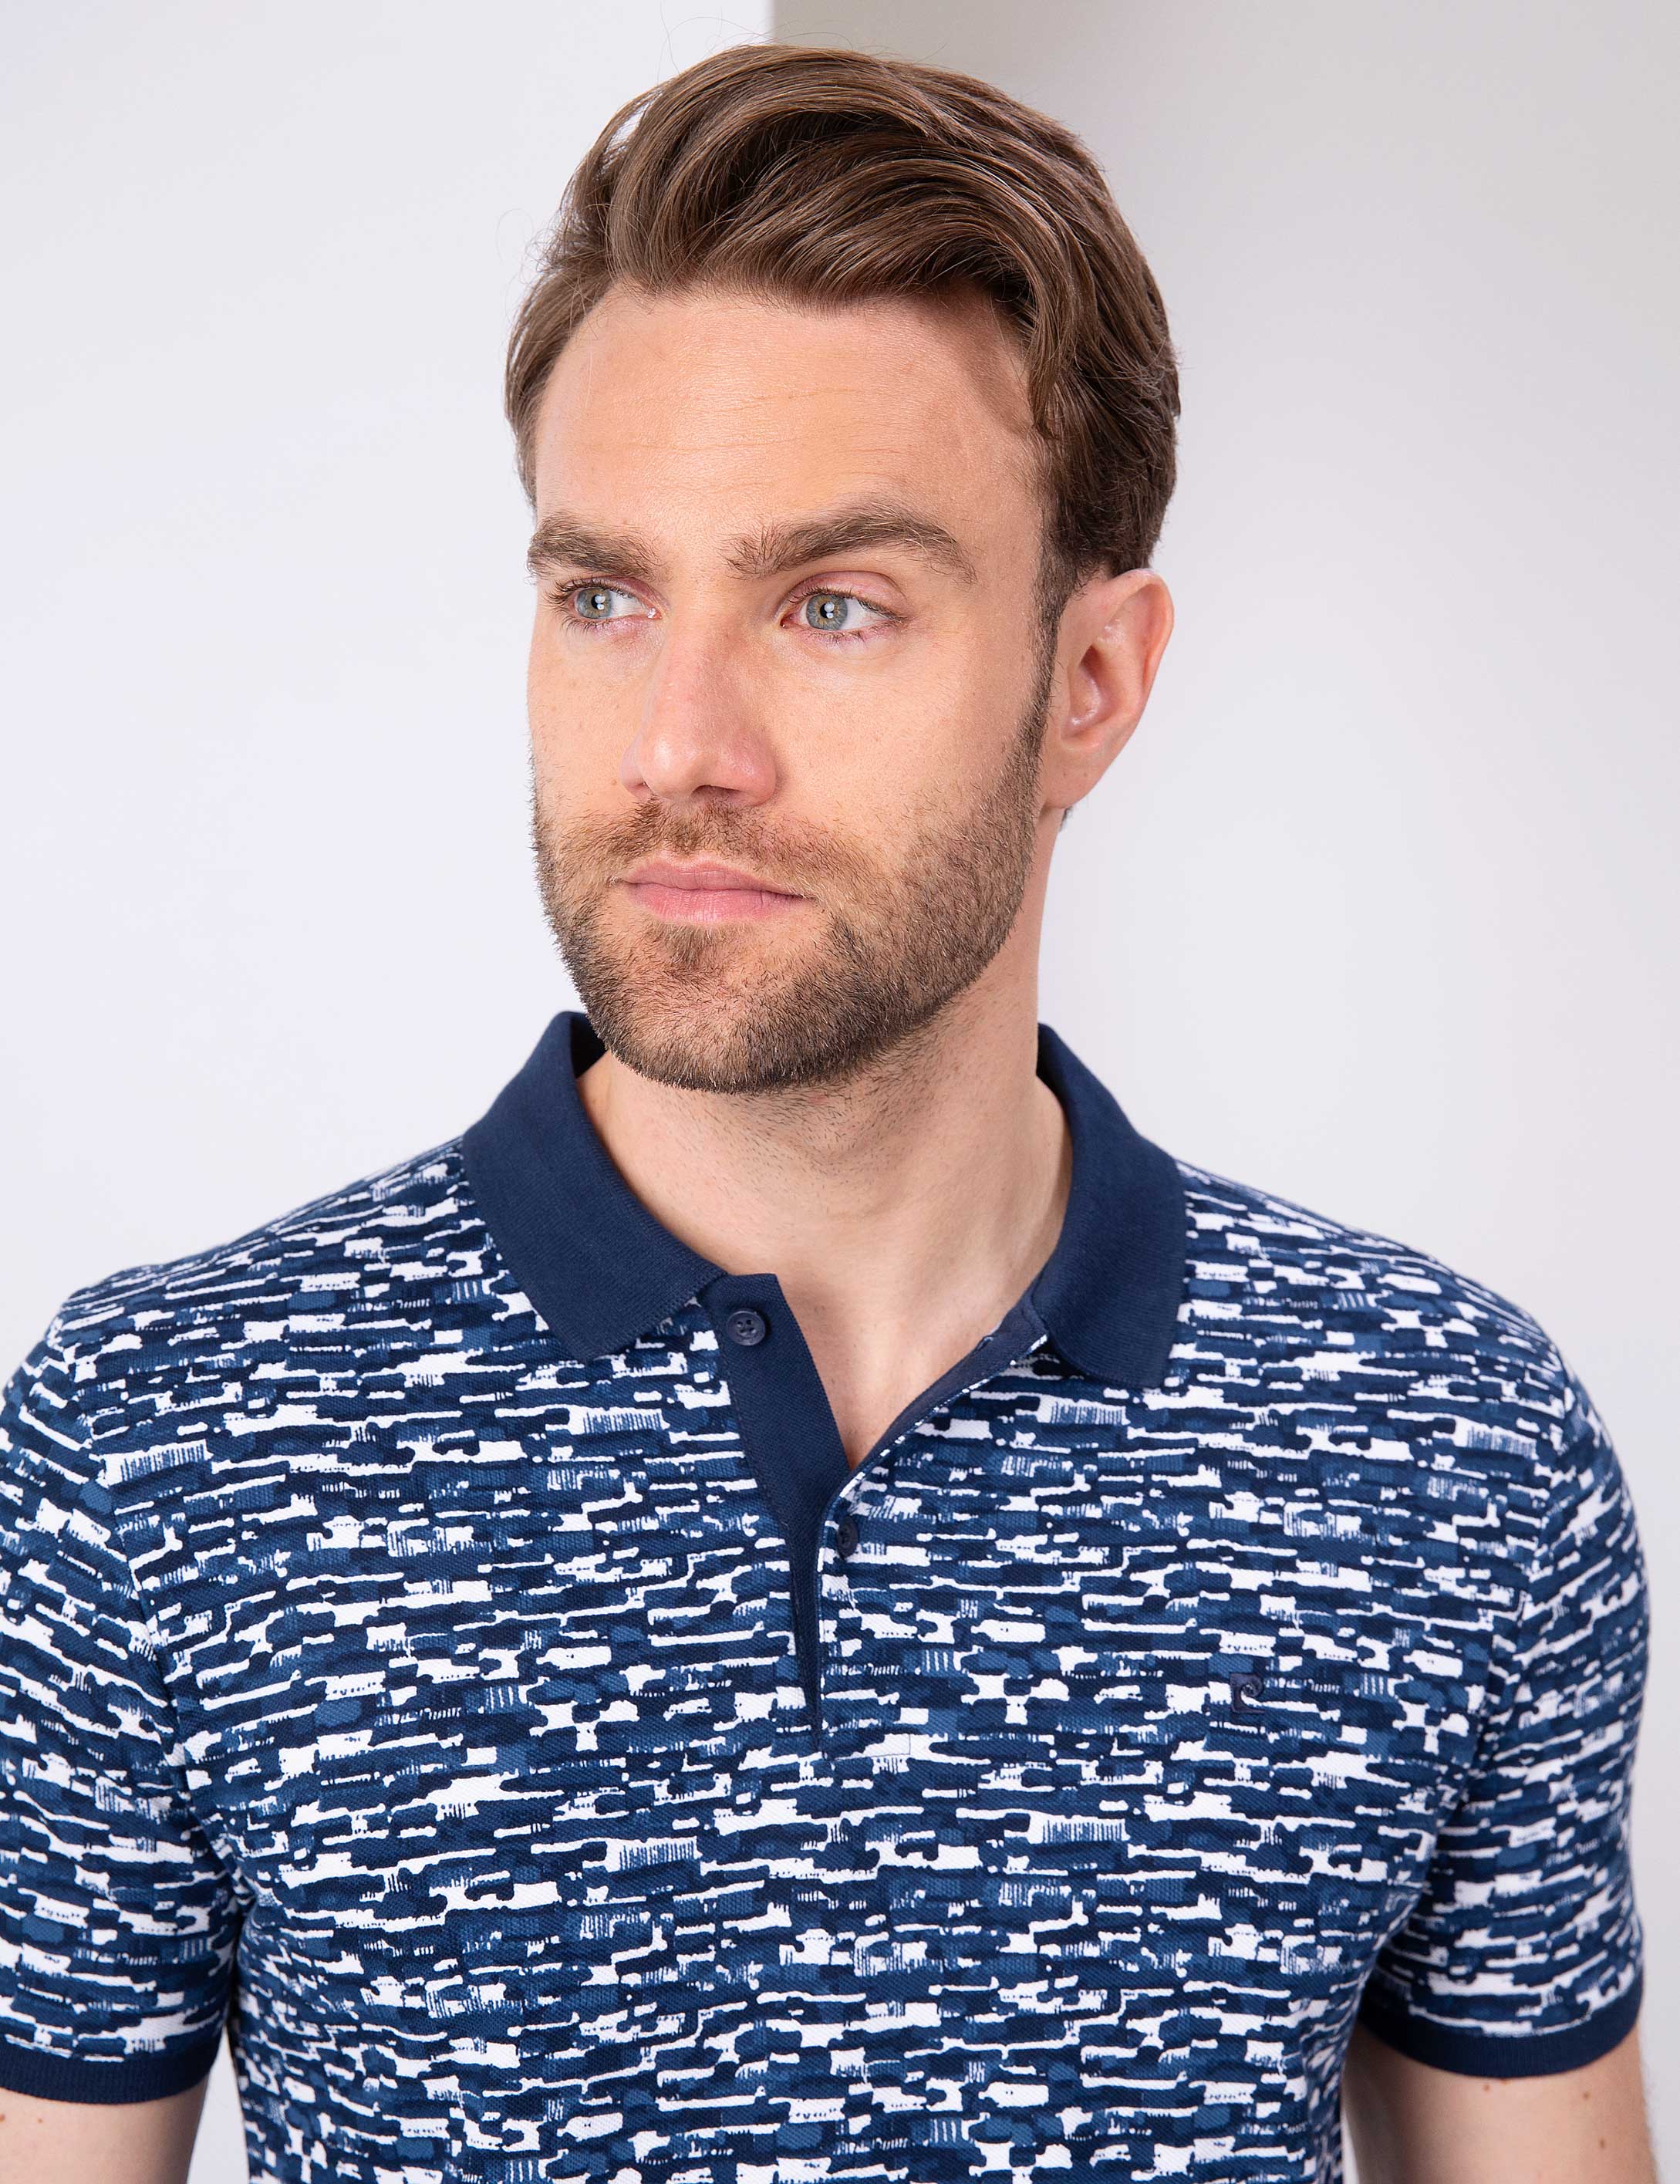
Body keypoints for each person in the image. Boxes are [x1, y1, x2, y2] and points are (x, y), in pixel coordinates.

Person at [0, 40, 1655, 2184]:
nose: (680, 744)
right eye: (604, 596)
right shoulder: (165, 1441)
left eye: (833, 606)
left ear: (1092, 686)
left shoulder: (1443, 1450)